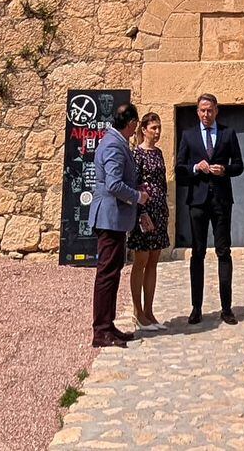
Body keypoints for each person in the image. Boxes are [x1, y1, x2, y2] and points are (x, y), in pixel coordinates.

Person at [174, 91, 244, 324]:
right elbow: (180, 168)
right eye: (202, 110)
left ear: (216, 111)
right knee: (198, 253)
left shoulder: (227, 133)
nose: (206, 114)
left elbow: (239, 165)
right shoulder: (188, 135)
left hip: (222, 200)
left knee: (224, 252)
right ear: (197, 112)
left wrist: (224, 169)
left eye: (210, 110)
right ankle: (196, 307)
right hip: (197, 201)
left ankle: (227, 308)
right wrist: (196, 167)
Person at [85, 102, 141, 348]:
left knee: (113, 271)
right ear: (131, 124)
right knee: (107, 274)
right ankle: (101, 331)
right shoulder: (114, 146)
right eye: (135, 125)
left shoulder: (115, 142)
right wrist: (138, 196)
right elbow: (114, 185)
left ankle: (108, 325)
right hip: (109, 217)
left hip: (115, 218)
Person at [127, 111, 169, 329]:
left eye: (159, 127)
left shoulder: (159, 153)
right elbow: (135, 184)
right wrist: (141, 213)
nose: (157, 132)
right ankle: (138, 311)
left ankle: (150, 312)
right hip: (144, 213)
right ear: (143, 130)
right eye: (153, 128)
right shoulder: (137, 154)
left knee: (154, 261)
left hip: (159, 212)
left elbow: (162, 183)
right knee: (140, 262)